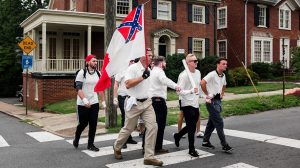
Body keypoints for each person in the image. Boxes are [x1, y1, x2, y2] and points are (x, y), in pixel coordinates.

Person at [113, 49, 163, 166]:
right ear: (143, 56)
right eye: (149, 55)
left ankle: (149, 156)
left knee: (153, 127)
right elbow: (128, 84)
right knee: (128, 129)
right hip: (134, 103)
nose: (152, 57)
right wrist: (142, 77)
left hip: (147, 103)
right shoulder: (133, 68)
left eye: (152, 55)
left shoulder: (149, 69)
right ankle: (117, 146)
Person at [148, 56, 181, 154]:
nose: (166, 64)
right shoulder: (159, 71)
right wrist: (176, 86)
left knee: (152, 125)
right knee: (160, 125)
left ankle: (149, 146)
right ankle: (156, 147)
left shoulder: (152, 71)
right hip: (158, 101)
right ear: (161, 63)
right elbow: (165, 80)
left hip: (152, 100)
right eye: (165, 62)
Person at [73, 54, 106, 152]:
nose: (95, 63)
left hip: (94, 102)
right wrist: (84, 100)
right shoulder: (81, 73)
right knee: (83, 123)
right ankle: (77, 136)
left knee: (93, 123)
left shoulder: (98, 73)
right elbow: (78, 88)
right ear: (87, 62)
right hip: (82, 103)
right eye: (93, 61)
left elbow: (100, 89)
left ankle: (90, 144)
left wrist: (103, 101)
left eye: (96, 61)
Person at [200, 57, 233, 153]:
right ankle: (224, 145)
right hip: (211, 102)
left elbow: (224, 85)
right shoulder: (212, 74)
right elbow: (202, 83)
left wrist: (222, 93)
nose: (225, 65)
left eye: (226, 64)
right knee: (219, 122)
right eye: (223, 64)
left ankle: (205, 141)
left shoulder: (223, 75)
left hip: (218, 101)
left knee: (211, 123)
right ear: (218, 64)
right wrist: (207, 95)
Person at [173, 54, 201, 157]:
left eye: (197, 60)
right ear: (188, 63)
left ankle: (178, 135)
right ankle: (191, 149)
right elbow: (178, 92)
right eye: (194, 61)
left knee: (192, 125)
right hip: (186, 103)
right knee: (191, 127)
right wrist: (190, 91)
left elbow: (198, 87)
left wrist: (204, 95)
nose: (196, 62)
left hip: (195, 102)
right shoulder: (183, 75)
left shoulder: (198, 72)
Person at [113, 60, 137, 149]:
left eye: (134, 61)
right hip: (123, 96)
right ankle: (122, 140)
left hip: (132, 97)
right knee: (125, 117)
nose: (133, 62)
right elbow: (116, 84)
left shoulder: (134, 71)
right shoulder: (121, 70)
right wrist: (115, 97)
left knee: (131, 117)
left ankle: (129, 137)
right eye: (131, 61)